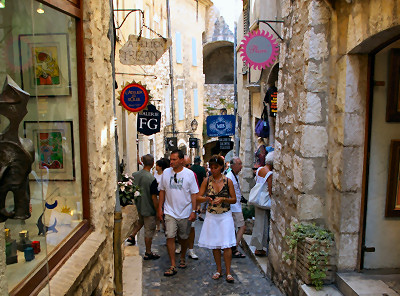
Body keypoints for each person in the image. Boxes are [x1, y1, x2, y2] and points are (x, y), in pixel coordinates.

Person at [158, 149, 198, 276]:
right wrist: (160, 208)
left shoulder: (189, 174)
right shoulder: (165, 173)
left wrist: (193, 211)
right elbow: (162, 191)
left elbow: (194, 194)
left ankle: (182, 257)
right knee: (170, 236)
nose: (171, 162)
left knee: (183, 237)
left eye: (174, 159)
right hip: (170, 211)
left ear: (181, 160)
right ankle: (173, 264)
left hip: (185, 211)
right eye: (171, 159)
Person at [197, 155, 237, 283]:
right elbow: (198, 196)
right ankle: (219, 270)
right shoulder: (207, 181)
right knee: (215, 244)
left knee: (226, 244)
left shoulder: (228, 181)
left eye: (215, 167)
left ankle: (229, 272)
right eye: (211, 167)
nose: (213, 170)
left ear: (221, 167)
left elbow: (234, 199)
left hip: (225, 215)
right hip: (211, 215)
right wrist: (206, 199)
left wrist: (224, 199)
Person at [126, 154, 160, 260]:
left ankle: (132, 236)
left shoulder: (134, 175)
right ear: (153, 163)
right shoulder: (151, 179)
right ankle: (148, 252)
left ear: (142, 161)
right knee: (149, 230)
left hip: (137, 205)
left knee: (140, 222)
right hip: (148, 207)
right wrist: (157, 209)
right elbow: (154, 197)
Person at [250, 151, 274, 257]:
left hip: (257, 201)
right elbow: (270, 190)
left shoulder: (259, 170)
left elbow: (256, 181)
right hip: (264, 202)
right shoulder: (270, 174)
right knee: (264, 225)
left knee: (258, 224)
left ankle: (257, 247)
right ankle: (260, 248)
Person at [225, 157, 246, 258]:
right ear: (233, 166)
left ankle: (232, 247)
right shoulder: (230, 177)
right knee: (242, 226)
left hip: (235, 206)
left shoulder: (233, 176)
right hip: (234, 207)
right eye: (239, 164)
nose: (241, 166)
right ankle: (234, 248)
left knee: (234, 228)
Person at [190, 156, 207, 220]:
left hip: (192, 187)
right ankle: (199, 213)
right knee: (199, 201)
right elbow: (204, 179)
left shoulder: (191, 168)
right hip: (200, 187)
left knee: (193, 200)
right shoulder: (202, 169)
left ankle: (194, 211)